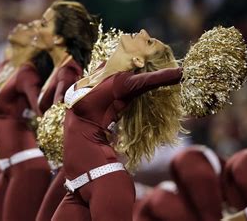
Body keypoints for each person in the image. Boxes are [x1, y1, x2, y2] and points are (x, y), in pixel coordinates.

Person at [52, 29, 184, 220]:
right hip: (77, 186)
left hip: (105, 182)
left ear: (138, 61)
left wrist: (198, 69)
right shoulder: (100, 69)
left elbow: (163, 78)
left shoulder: (121, 84)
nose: (143, 32)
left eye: (148, 43)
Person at [0, 22, 53, 221]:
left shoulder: (27, 73)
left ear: (36, 42)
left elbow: (45, 112)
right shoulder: (9, 69)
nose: (21, 25)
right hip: (8, 166)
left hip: (27, 165)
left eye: (29, 28)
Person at [32, 0, 99, 221]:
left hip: (69, 168)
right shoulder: (60, 69)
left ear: (59, 37)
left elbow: (60, 120)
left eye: (44, 24)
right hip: (63, 166)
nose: (37, 28)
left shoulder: (69, 72)